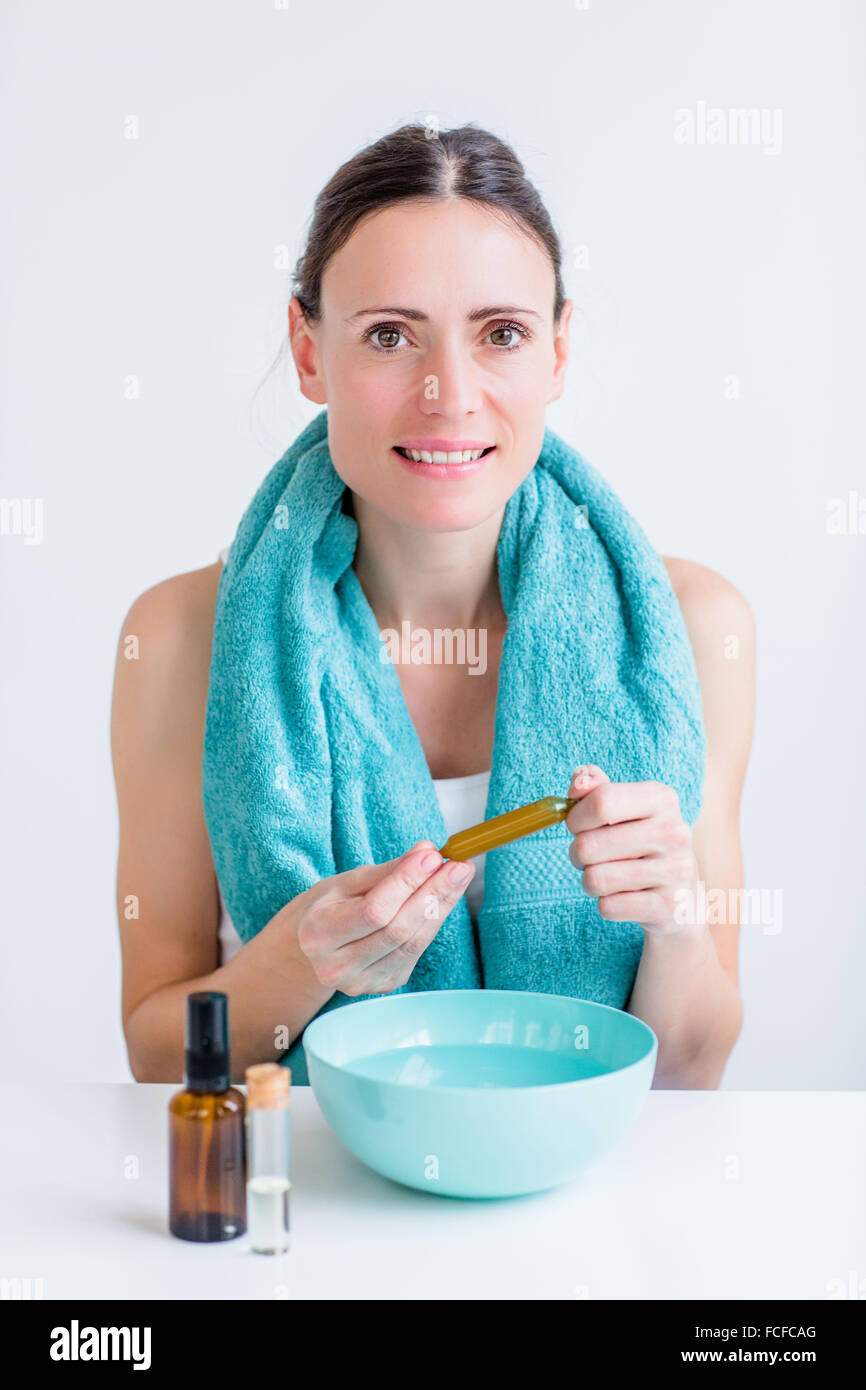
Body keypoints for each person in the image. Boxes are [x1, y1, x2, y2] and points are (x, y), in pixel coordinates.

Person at [111, 123, 753, 1089]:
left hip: (582, 1213)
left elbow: (694, 1073)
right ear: (308, 350)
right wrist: (297, 964)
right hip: (317, 1211)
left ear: (558, 353)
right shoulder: (179, 641)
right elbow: (158, 1053)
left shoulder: (694, 627)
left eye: (501, 335)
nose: (448, 395)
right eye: (388, 334)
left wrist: (674, 923)